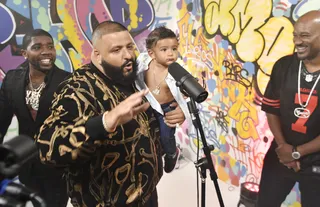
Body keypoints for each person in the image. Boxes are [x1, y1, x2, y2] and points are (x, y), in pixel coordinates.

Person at [35, 21, 185, 207]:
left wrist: (177, 108)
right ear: (97, 55)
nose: (128, 55)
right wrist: (105, 122)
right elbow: (48, 149)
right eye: (116, 50)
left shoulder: (130, 76)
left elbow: (158, 98)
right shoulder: (78, 89)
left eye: (130, 46)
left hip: (146, 194)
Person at [0, 29, 70, 206]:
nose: (46, 51)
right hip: (27, 165)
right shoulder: (11, 80)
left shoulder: (68, 81)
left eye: (50, 46)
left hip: (58, 167)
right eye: (37, 47)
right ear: (25, 53)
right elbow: (1, 120)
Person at [258, 10, 320, 207]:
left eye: (305, 35)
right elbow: (272, 108)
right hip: (280, 154)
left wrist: (297, 152)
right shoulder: (283, 65)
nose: (297, 41)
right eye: (295, 34)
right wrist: (284, 148)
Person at [135, 26, 191, 173]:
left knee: (166, 137)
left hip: (168, 109)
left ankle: (173, 153)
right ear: (151, 54)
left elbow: (192, 92)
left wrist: (184, 108)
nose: (171, 53)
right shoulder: (142, 61)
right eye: (164, 49)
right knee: (150, 135)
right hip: (149, 105)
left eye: (174, 48)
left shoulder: (177, 71)